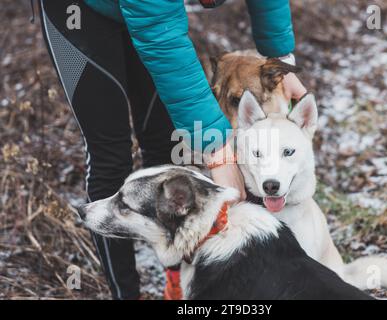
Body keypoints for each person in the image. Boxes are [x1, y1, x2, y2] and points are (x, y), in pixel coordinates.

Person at [38, 0, 306, 300]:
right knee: (109, 156)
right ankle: (126, 294)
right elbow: (160, 36)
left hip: (153, 17)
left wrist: (281, 56)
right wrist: (218, 151)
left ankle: (176, 284)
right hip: (82, 13)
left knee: (163, 143)